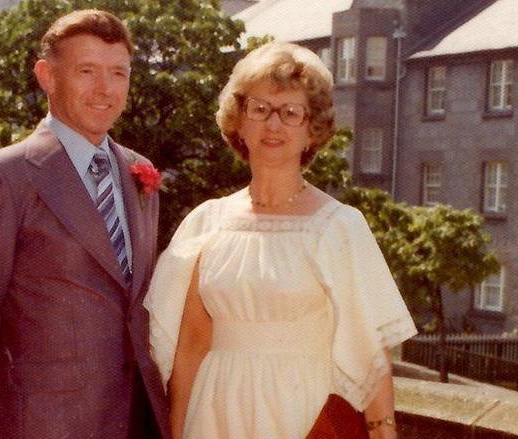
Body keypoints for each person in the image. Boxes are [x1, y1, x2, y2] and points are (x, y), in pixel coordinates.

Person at [144, 41, 417, 439]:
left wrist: (384, 433)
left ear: (312, 129)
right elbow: (190, 350)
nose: (274, 125)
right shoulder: (207, 223)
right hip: (215, 414)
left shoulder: (339, 227)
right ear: (239, 121)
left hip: (303, 413)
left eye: (291, 113)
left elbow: (370, 354)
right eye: (260, 109)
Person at [0, 10, 168, 438]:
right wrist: (11, 411)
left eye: (118, 73)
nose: (105, 89)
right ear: (46, 75)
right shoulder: (6, 176)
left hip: (135, 420)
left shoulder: (140, 172)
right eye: (87, 71)